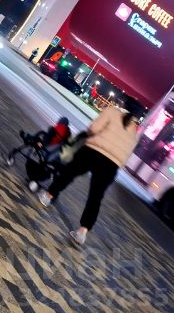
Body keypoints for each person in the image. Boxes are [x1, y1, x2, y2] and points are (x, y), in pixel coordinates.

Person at [37, 102, 139, 247]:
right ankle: (82, 232)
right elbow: (126, 154)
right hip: (112, 165)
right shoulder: (134, 131)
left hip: (92, 152)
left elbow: (94, 128)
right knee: (96, 197)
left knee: (69, 173)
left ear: (123, 104)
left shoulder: (112, 112)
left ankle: (48, 196)